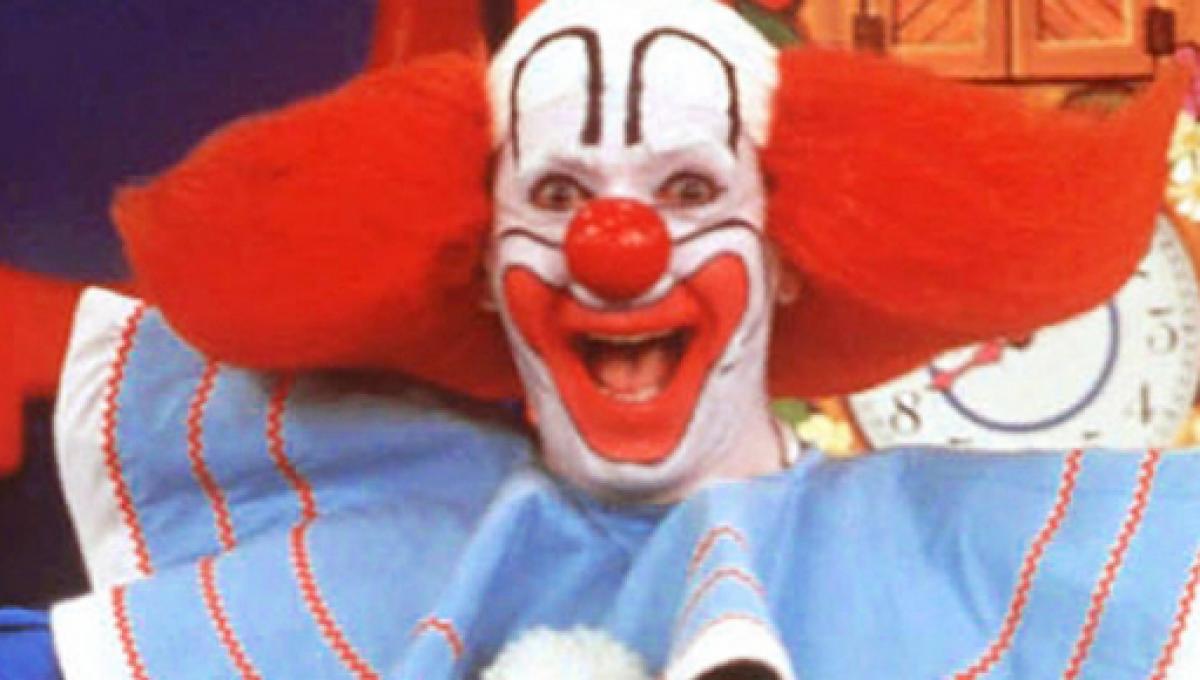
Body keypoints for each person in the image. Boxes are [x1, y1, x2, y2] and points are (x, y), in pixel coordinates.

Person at [10, 0, 1200, 677]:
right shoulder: (391, 553)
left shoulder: (959, 547)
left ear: (785, 256)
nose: (614, 246)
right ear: (485, 272)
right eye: (558, 195)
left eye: (688, 191)